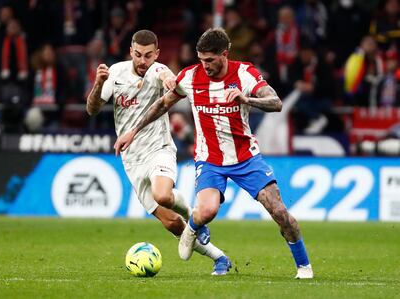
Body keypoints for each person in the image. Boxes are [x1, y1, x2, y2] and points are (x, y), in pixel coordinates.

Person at [115, 28, 314, 279]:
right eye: (201, 60)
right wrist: (133, 130)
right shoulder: (190, 77)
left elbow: (276, 102)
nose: (205, 66)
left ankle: (304, 267)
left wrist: (246, 100)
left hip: (246, 158)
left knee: (279, 212)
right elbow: (162, 104)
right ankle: (192, 228)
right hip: (210, 160)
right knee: (207, 211)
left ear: (225, 54)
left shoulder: (244, 73)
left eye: (210, 60)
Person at [86, 29, 230, 275]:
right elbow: (93, 109)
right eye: (139, 55)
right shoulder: (116, 73)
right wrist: (99, 84)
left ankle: (195, 219)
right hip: (132, 160)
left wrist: (168, 79)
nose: (143, 61)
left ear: (157, 54)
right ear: (131, 51)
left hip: (158, 148)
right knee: (173, 223)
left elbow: (166, 76)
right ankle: (220, 258)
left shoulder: (156, 70)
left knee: (162, 195)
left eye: (149, 55)